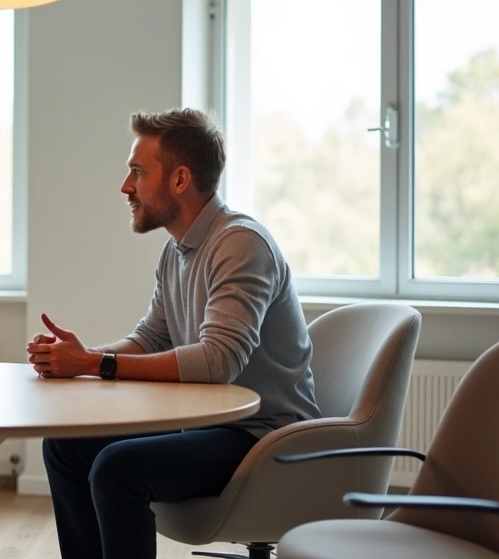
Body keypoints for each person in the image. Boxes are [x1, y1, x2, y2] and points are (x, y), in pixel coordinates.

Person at [28, 108, 322, 559]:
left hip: (261, 438)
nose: (126, 187)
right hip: (210, 427)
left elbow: (218, 361)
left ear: (180, 179)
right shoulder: (176, 250)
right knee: (66, 446)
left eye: (138, 172)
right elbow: (151, 337)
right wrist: (82, 357)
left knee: (117, 468)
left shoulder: (241, 243)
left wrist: (93, 365)